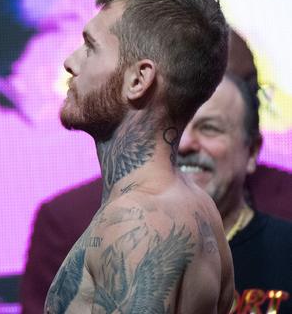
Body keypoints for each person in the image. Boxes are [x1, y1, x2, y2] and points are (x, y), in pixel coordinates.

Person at [21, 30, 292, 314]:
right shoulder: (70, 221)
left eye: (210, 125)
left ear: (251, 146)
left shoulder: (283, 221)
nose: (186, 143)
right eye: (176, 118)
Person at [44, 0, 234, 313]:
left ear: (138, 79)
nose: (71, 62)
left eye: (91, 47)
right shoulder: (199, 207)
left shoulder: (137, 222)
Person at [178, 73, 292, 313]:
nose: (183, 143)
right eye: (175, 127)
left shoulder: (286, 252)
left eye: (209, 128)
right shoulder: (120, 251)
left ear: (251, 152)